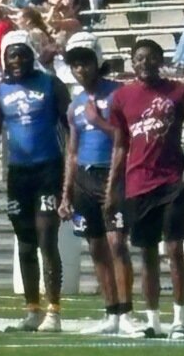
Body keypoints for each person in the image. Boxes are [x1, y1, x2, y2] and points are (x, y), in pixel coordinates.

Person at [0, 31, 70, 332]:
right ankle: (32, 309)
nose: (17, 60)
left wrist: (73, 174)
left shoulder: (51, 84)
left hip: (49, 169)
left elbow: (70, 130)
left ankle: (54, 311)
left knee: (47, 237)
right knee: (25, 243)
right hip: (17, 173)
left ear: (32, 55)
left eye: (22, 54)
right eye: (11, 55)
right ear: (4, 59)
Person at [106, 39, 184, 339]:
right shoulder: (122, 97)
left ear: (161, 60)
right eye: (140, 58)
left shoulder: (179, 92)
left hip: (171, 180)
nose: (146, 62)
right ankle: (153, 321)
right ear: (132, 62)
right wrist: (111, 188)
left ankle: (179, 319)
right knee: (147, 254)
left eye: (152, 57)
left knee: (174, 249)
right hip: (137, 183)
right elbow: (120, 145)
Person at [58, 34, 138, 336]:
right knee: (95, 246)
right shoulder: (75, 104)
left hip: (113, 174)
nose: (81, 69)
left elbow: (125, 138)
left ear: (97, 62)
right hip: (83, 179)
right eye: (75, 64)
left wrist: (115, 182)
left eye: (86, 62)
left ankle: (127, 311)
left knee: (117, 243)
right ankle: (111, 312)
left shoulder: (118, 93)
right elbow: (72, 151)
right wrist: (66, 192)